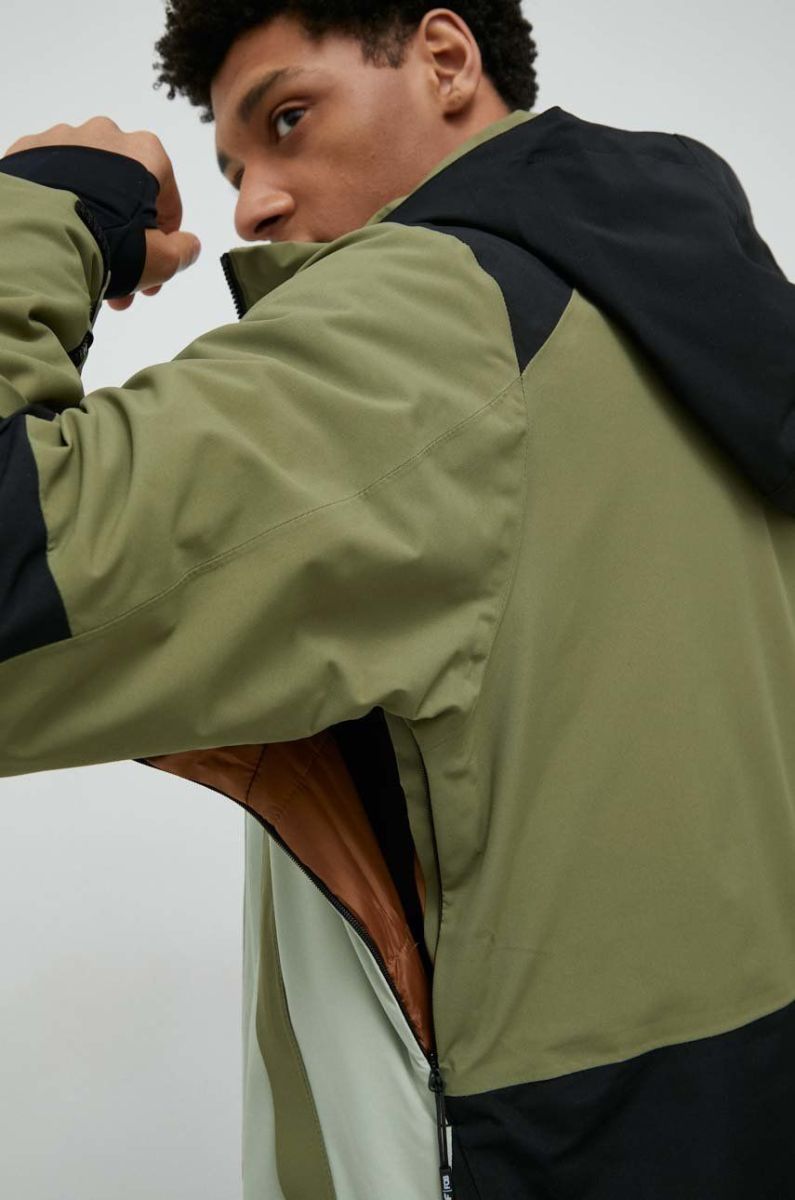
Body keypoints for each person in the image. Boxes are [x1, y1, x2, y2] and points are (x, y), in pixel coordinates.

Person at [1, 3, 794, 1196]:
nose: (252, 205)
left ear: (445, 59)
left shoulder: (435, 324)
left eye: (287, 118)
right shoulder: (675, 310)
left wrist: (41, 205)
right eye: (233, 170)